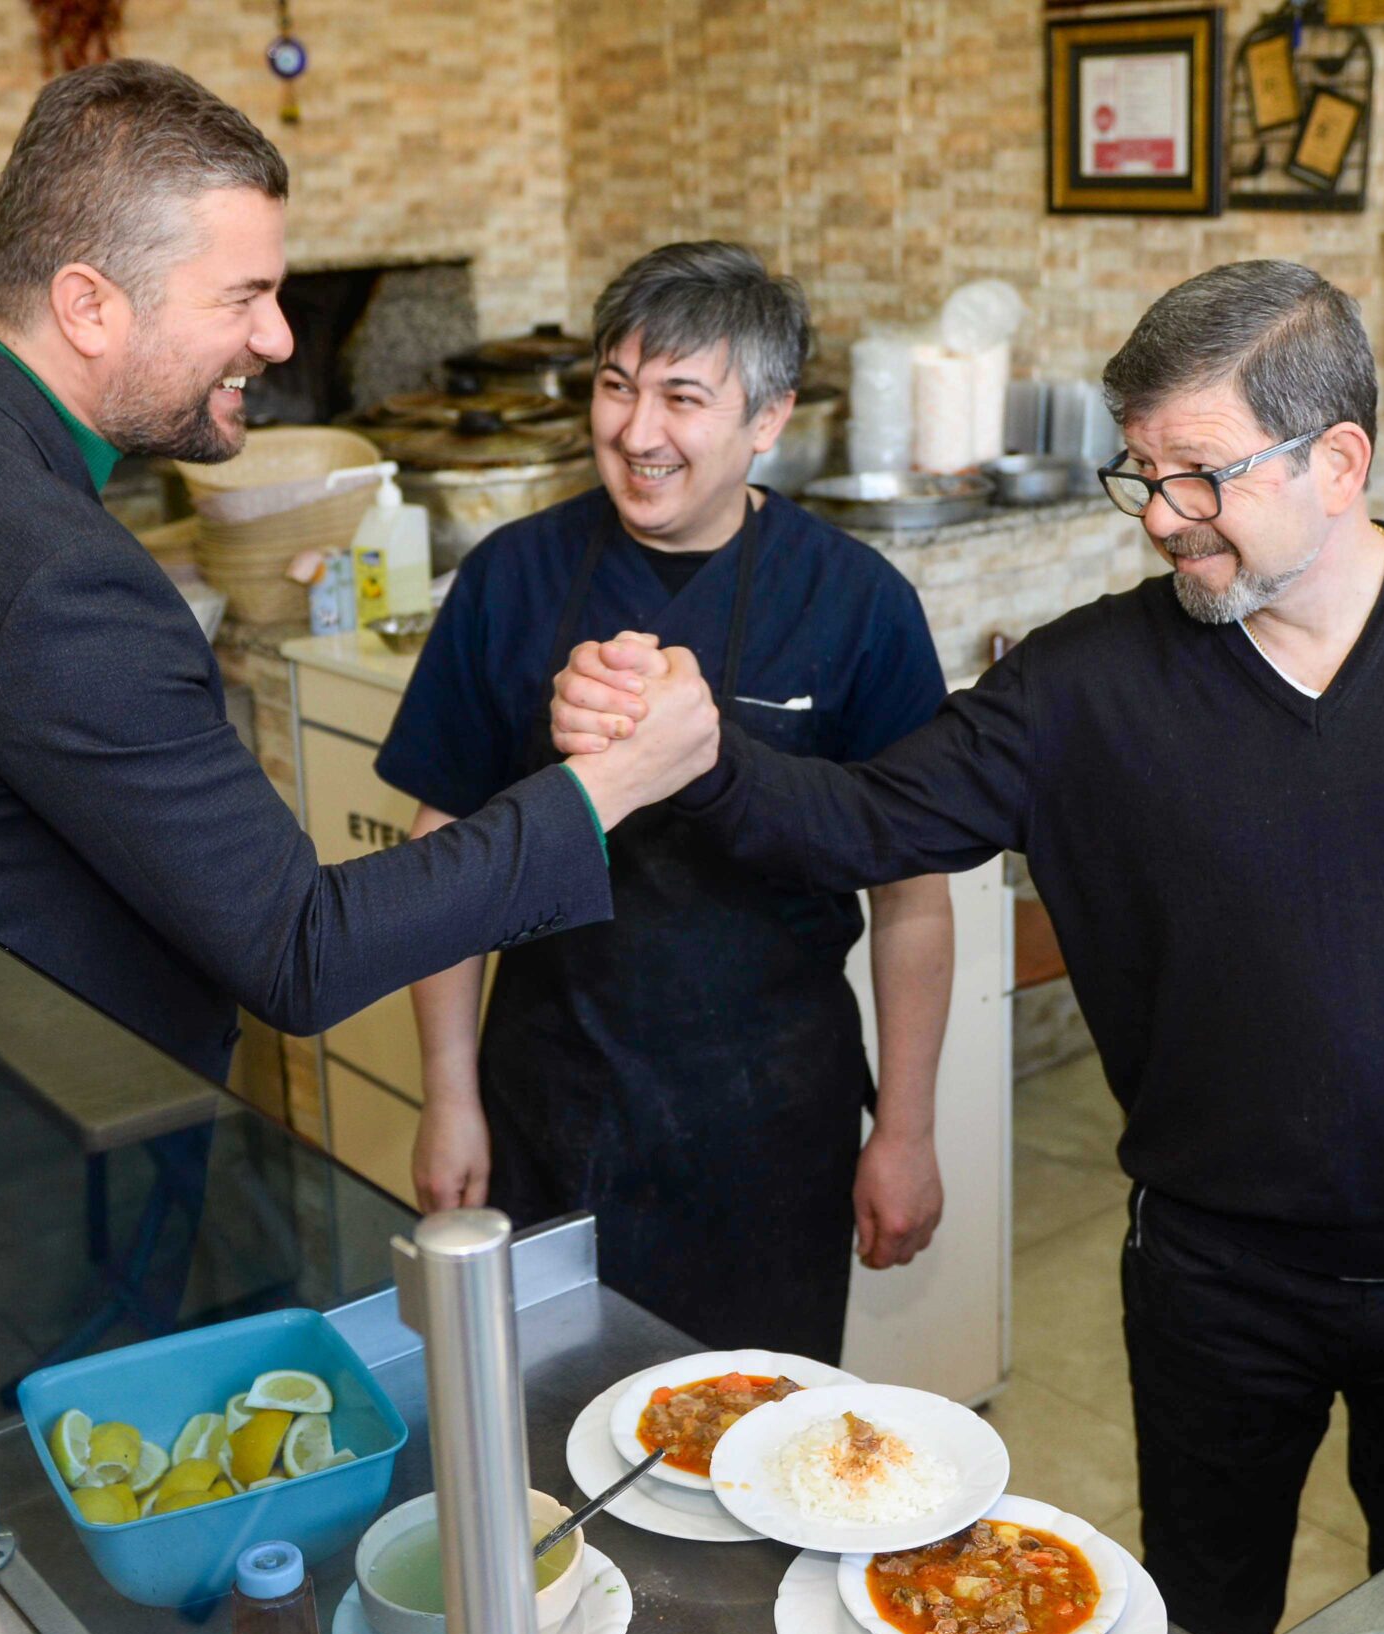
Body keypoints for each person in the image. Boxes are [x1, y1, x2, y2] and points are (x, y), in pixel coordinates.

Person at [0, 61, 716, 1634]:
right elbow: (295, 944)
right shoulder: (60, 579)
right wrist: (603, 790)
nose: (276, 336)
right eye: (247, 294)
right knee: (65, 1633)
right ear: (88, 300)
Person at [551, 260, 1384, 1634]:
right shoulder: (1079, 684)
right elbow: (869, 816)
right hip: (1213, 1276)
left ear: (1339, 460)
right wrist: (706, 751)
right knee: (1195, 1629)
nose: (1163, 520)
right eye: (1142, 475)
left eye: (1201, 477)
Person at [375, 241, 954, 1364]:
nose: (638, 433)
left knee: (753, 1447)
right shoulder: (510, 577)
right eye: (614, 385)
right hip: (547, 1097)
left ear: (769, 418)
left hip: (772, 1120)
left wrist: (908, 1129)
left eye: (682, 397)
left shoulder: (858, 603)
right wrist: (448, 1092)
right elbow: (438, 845)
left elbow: (913, 892)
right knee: (546, 1429)